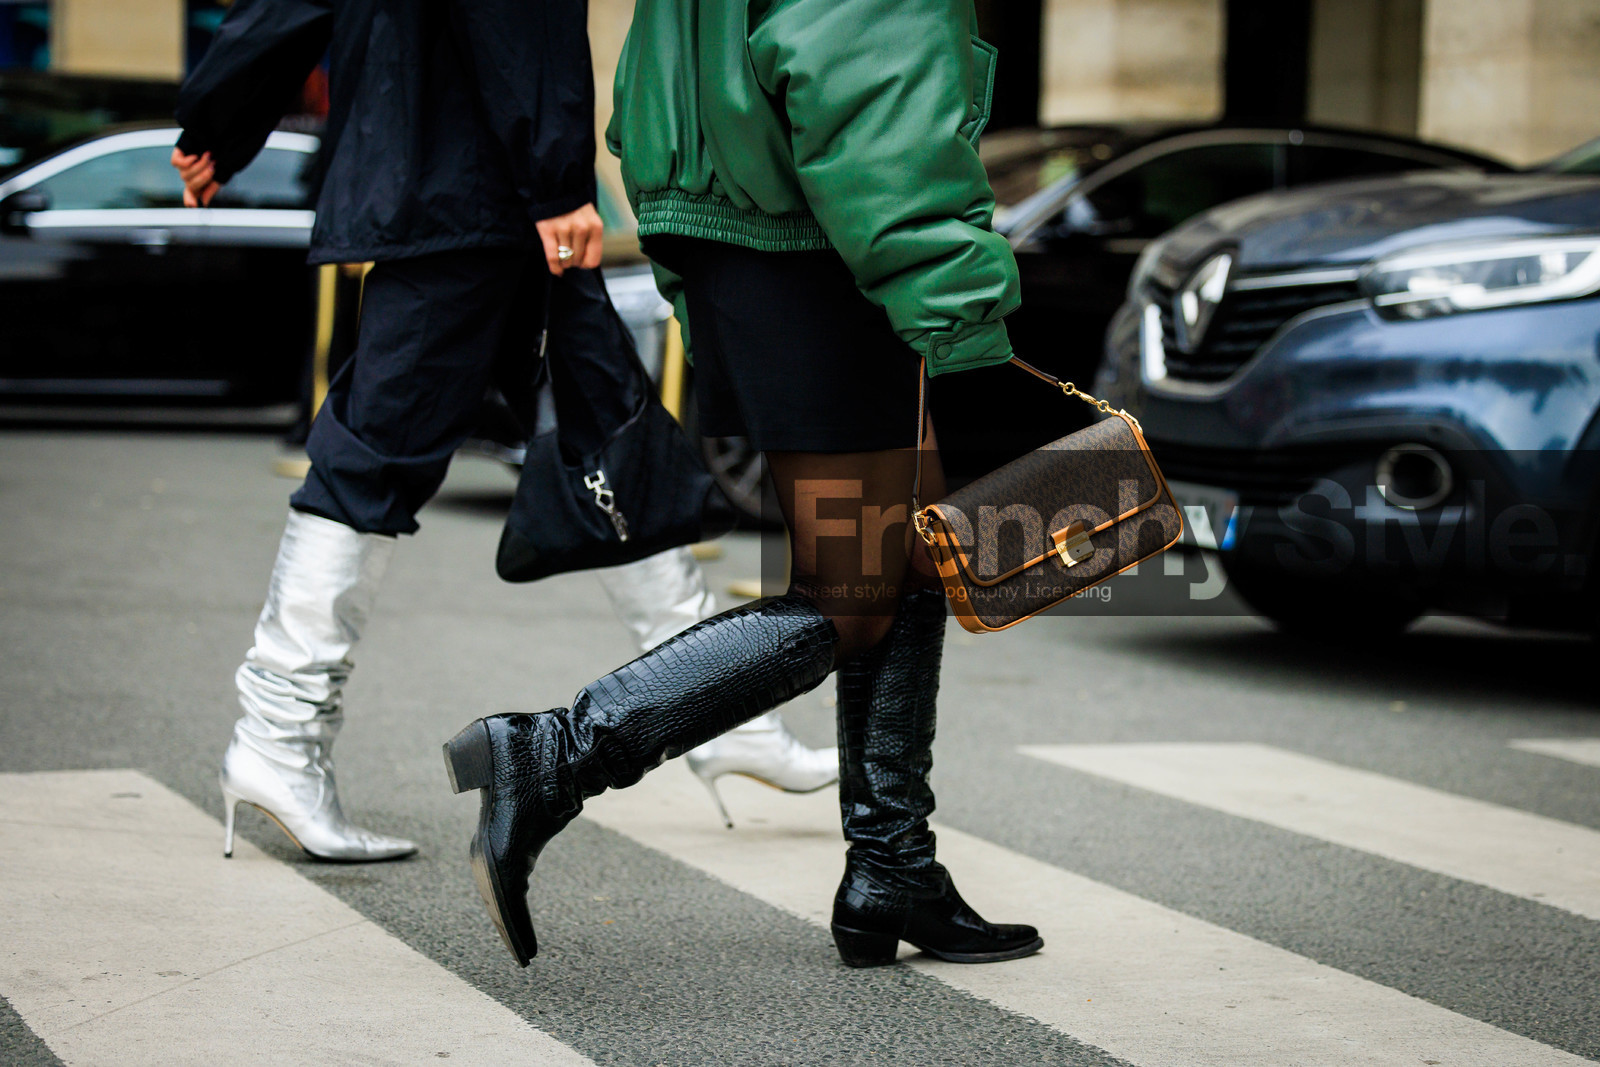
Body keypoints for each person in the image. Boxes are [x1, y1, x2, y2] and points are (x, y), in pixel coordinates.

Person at [444, 0, 1042, 968]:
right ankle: (554, 753)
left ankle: (893, 865)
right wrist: (955, 298)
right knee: (853, 592)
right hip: (820, 236)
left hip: (755, 221)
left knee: (911, 557)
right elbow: (871, 75)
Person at [173, 0, 834, 864]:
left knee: (607, 430)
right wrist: (559, 176)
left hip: (458, 175)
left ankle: (717, 715)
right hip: (479, 184)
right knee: (372, 455)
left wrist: (222, 117)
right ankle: (275, 735)